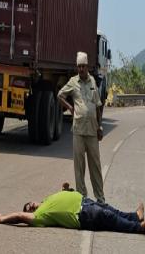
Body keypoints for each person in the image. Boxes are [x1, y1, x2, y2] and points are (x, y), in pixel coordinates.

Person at [0, 188, 145, 235]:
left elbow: (64, 195)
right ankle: (139, 228)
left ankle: (135, 216)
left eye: (29, 203)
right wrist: (2, 218)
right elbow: (19, 216)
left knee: (110, 209)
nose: (30, 206)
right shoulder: (40, 216)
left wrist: (66, 189)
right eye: (28, 208)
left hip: (85, 202)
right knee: (110, 218)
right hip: (83, 214)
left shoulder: (46, 201)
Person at [57, 52, 105, 203]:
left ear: (87, 66)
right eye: (79, 67)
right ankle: (82, 198)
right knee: (79, 167)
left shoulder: (92, 82)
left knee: (95, 166)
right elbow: (59, 95)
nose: (81, 69)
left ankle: (100, 198)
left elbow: (97, 106)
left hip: (92, 130)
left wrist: (100, 127)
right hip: (78, 130)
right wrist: (70, 108)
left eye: (83, 66)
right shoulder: (73, 82)